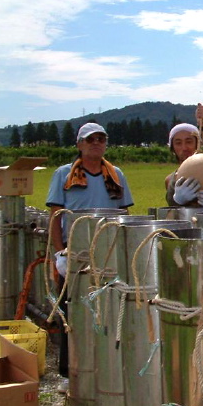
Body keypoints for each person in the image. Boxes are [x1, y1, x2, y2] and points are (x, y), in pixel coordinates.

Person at [45, 122, 134, 392]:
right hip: (75, 251)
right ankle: (69, 373)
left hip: (108, 251)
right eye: (90, 139)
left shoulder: (115, 174)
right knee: (73, 311)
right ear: (79, 145)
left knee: (107, 309)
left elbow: (125, 215)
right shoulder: (64, 174)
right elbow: (56, 216)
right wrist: (59, 253)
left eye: (101, 139)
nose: (96, 143)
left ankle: (107, 366)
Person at [165, 105, 203, 206]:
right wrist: (177, 201)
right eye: (178, 143)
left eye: (189, 141)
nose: (184, 148)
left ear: (197, 144)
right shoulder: (169, 181)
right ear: (172, 148)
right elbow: (171, 215)